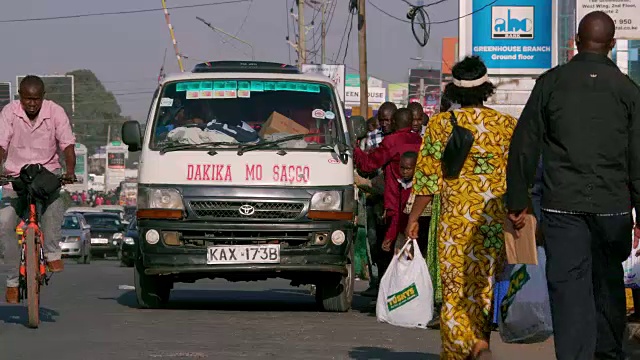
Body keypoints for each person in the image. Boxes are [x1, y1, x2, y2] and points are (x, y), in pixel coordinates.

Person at [506, 11, 640, 360]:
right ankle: (608, 352)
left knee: (569, 288)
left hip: (561, 206)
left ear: (576, 41)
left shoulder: (551, 83)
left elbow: (525, 143)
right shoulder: (629, 91)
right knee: (608, 279)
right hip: (613, 207)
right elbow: (638, 157)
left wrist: (518, 200)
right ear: (612, 45)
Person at [405, 56, 517, 359]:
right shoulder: (506, 126)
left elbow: (427, 180)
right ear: (486, 88)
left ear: (454, 90)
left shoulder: (440, 126)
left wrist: (414, 218)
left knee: (455, 291)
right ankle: (481, 342)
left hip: (455, 223)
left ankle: (461, 350)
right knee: (483, 286)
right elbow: (520, 176)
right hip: (492, 221)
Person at [0, 75, 76, 304]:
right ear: (19, 98)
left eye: (35, 99)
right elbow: (1, 145)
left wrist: (70, 171)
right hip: (16, 178)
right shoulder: (8, 113)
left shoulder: (55, 112)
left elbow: (67, 145)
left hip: (47, 176)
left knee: (55, 206)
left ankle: (52, 253)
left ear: (43, 97)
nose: (31, 104)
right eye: (26, 99)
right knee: (4, 225)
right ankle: (13, 282)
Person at [355, 108, 422, 296]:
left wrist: (356, 151)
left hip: (395, 203)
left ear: (394, 123)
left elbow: (369, 164)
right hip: (419, 203)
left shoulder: (391, 141)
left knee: (389, 248)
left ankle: (391, 293)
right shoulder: (420, 140)